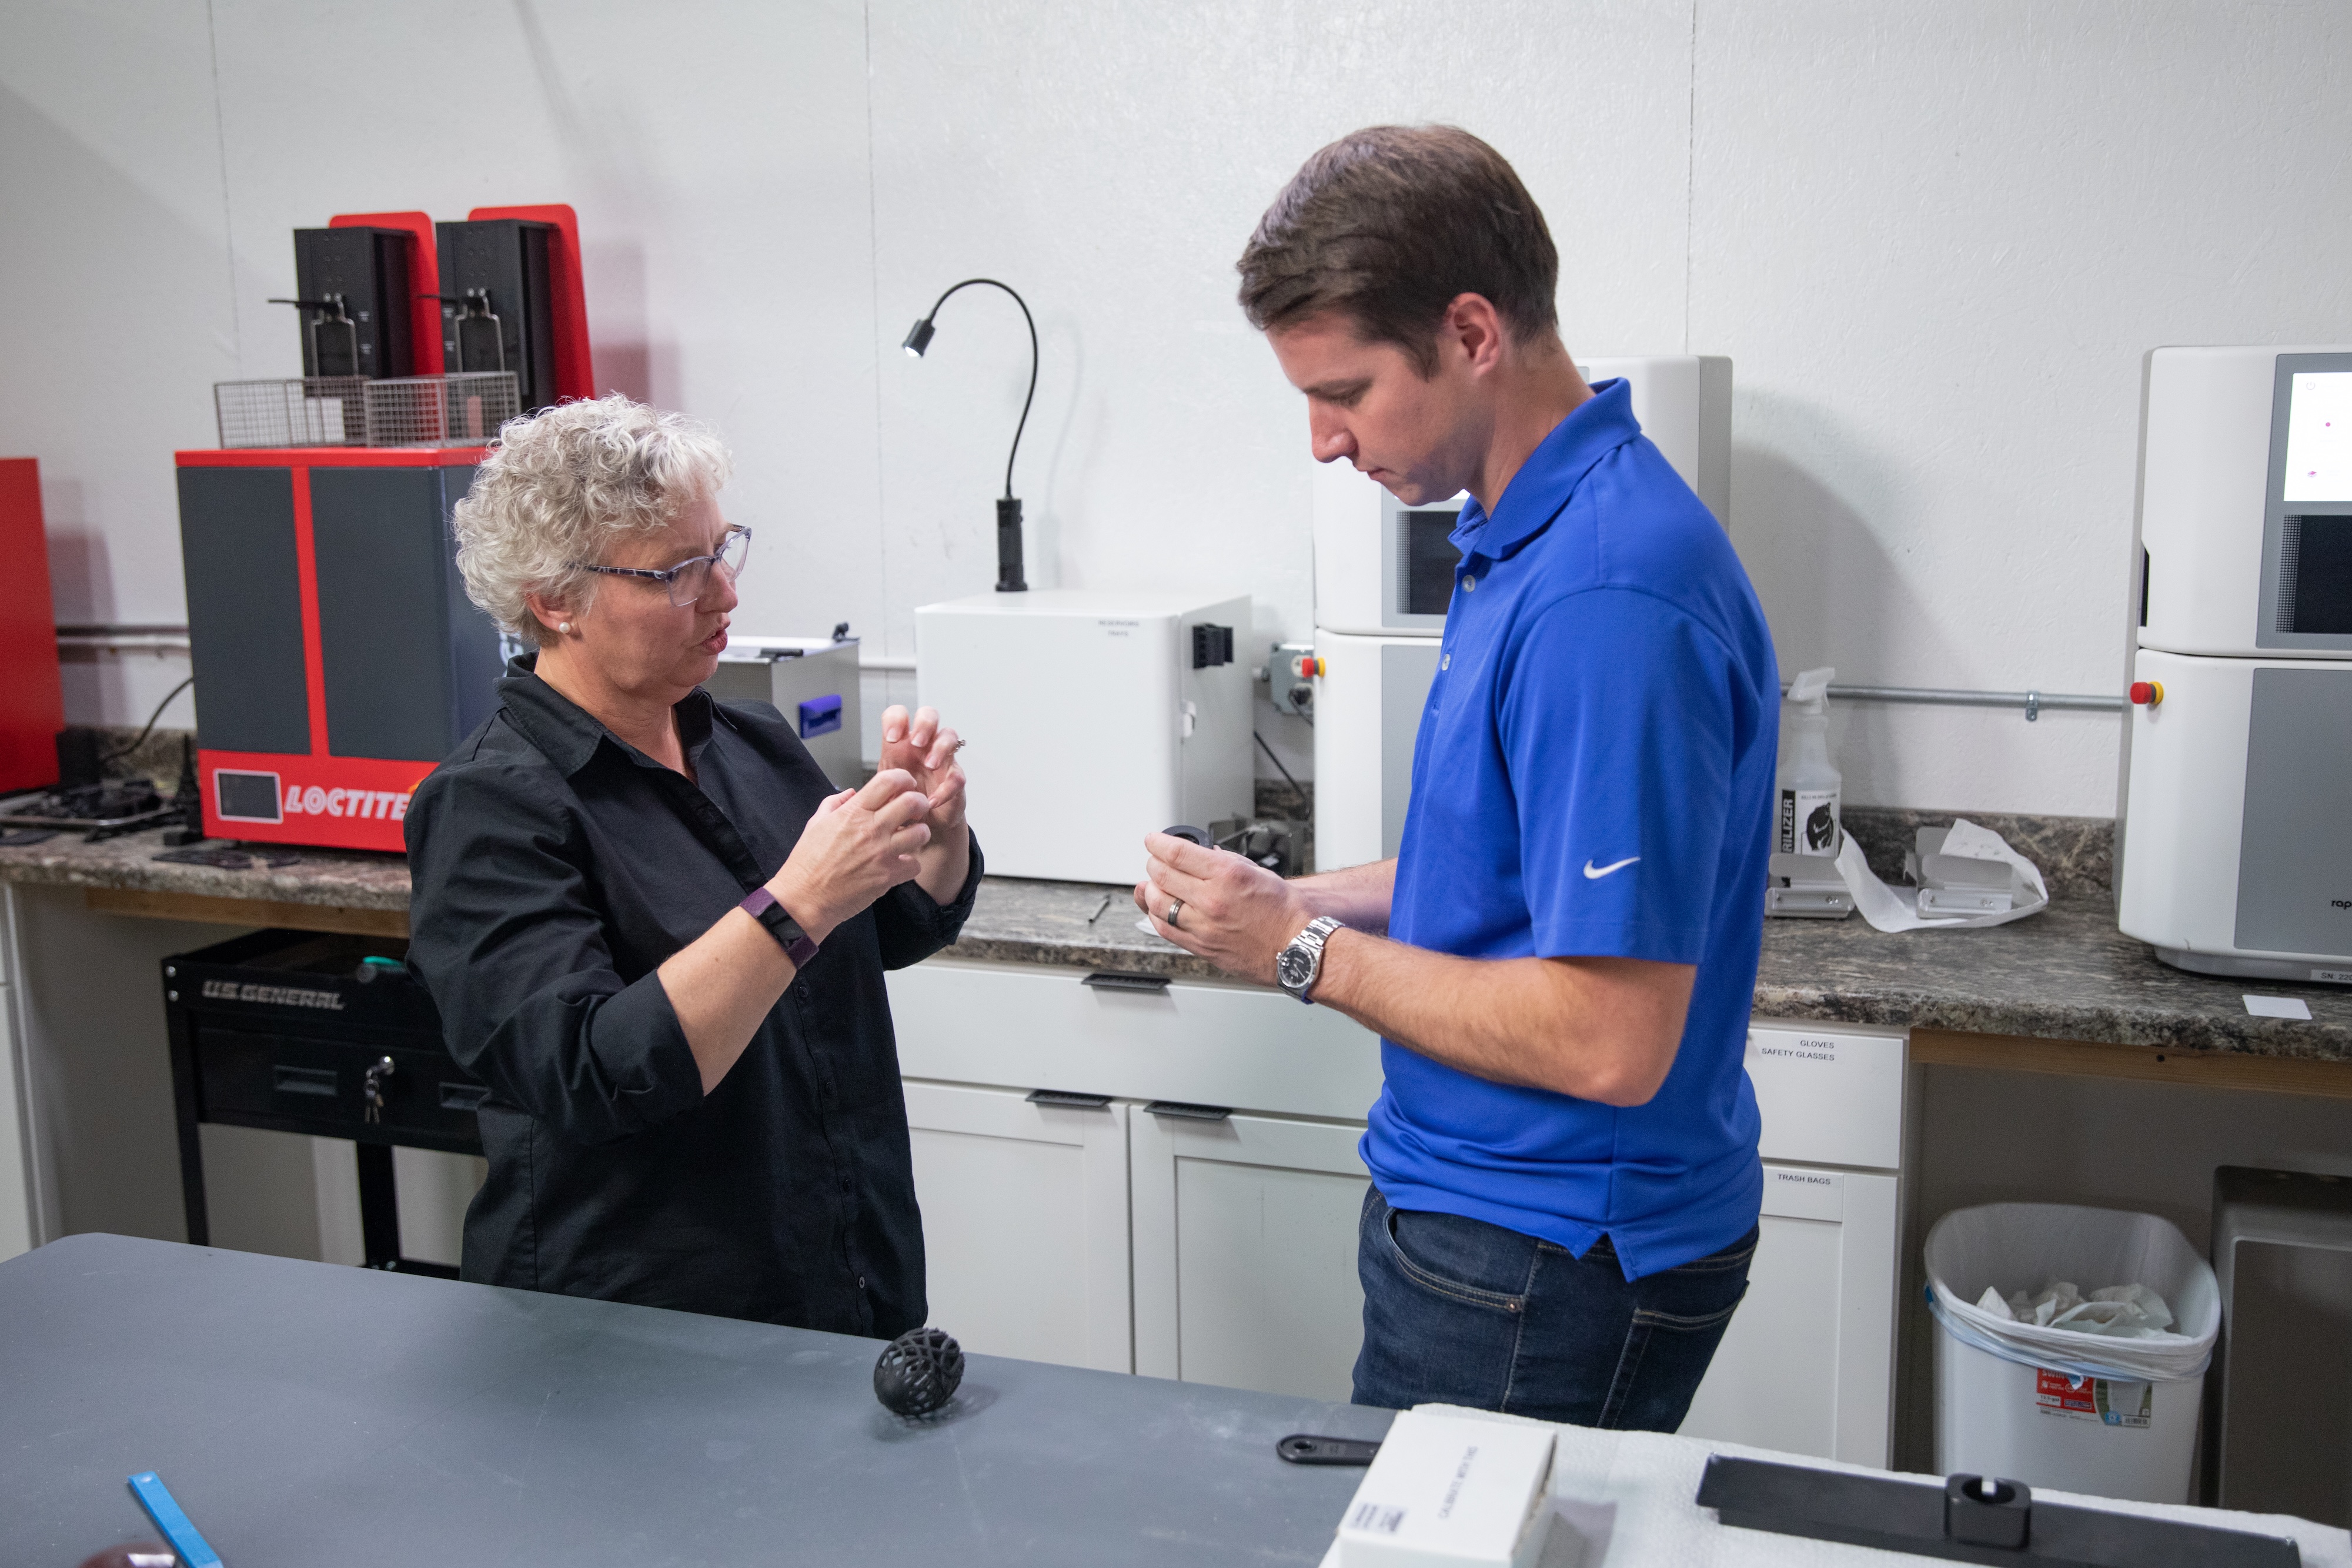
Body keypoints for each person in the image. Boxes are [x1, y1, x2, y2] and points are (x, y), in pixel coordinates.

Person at [1135, 126, 1778, 1428]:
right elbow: (1496, 869)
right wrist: (1285, 893)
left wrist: (1298, 949)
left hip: (1549, 1247)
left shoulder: (1607, 594)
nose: (1322, 440)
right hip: (1493, 1215)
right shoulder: (1516, 532)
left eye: (1347, 391)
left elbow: (1608, 1039)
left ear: (1471, 332)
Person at [405, 394, 980, 1335]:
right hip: (646, 1331)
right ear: (556, 602)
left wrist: (930, 832)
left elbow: (890, 929)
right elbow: (588, 1072)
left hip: (841, 1275)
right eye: (677, 571)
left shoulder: (747, 742)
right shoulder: (490, 806)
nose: (724, 594)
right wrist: (797, 900)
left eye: (722, 550)